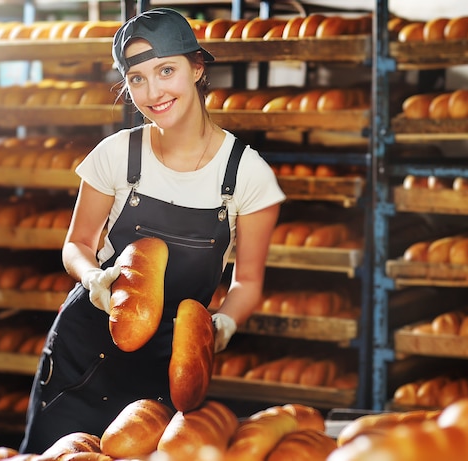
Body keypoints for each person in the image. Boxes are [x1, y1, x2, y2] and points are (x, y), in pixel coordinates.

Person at [19, 7, 285, 454]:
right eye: (137, 79)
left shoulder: (247, 173)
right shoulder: (117, 154)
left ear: (198, 68)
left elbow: (249, 281)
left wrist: (223, 323)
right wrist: (93, 279)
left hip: (167, 368)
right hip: (85, 353)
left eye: (166, 70)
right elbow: (77, 244)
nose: (153, 91)